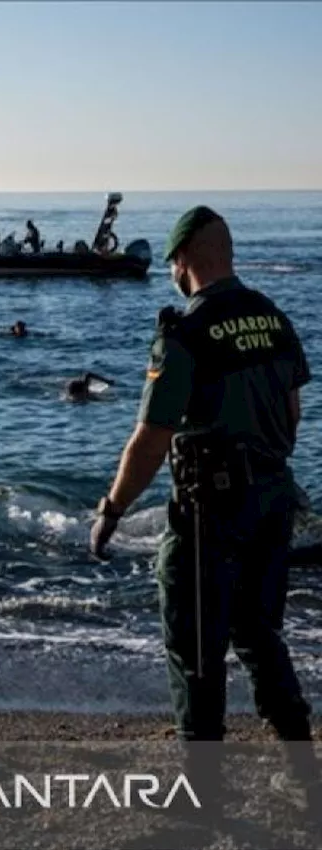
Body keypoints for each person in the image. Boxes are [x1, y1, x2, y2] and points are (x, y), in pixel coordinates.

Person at [89, 207, 318, 802]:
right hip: (274, 501)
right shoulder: (274, 317)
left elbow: (151, 436)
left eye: (171, 262)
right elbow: (293, 413)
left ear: (184, 258)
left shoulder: (185, 332)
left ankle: (204, 791)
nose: (170, 272)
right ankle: (302, 770)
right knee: (261, 635)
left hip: (208, 514)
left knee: (195, 648)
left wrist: (112, 508)